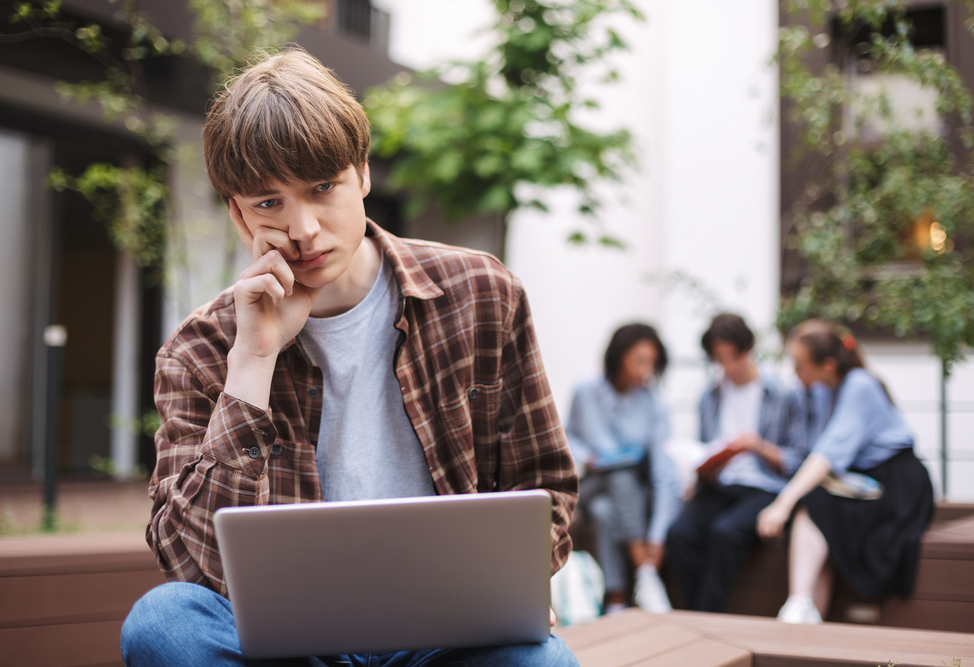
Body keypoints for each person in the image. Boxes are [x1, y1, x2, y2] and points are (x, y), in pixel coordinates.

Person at [119, 48, 579, 666]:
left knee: (542, 662)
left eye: (322, 187)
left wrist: (521, 580)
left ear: (362, 174)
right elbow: (183, 560)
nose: (303, 228)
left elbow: (543, 482)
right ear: (236, 212)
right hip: (292, 643)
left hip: (445, 632)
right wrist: (253, 361)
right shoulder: (198, 349)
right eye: (268, 202)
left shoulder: (479, 292)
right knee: (162, 624)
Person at [758, 319, 934, 624]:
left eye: (799, 365)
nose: (794, 372)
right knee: (822, 512)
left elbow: (826, 456)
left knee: (814, 504)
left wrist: (782, 504)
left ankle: (800, 606)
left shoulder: (859, 386)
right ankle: (805, 611)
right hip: (859, 482)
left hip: (895, 486)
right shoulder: (826, 389)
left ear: (826, 366)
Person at [666, 313, 808, 613]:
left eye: (733, 357)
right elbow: (705, 453)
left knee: (725, 533)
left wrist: (758, 446)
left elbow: (798, 460)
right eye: (719, 359)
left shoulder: (783, 393)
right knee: (679, 534)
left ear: (748, 350)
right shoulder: (710, 397)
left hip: (763, 485)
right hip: (720, 484)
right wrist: (703, 466)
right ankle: (703, 616)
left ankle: (703, 619)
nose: (728, 366)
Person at [565, 323, 680, 615]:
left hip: (630, 493)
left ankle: (615, 598)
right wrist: (584, 455)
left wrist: (657, 533)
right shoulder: (585, 391)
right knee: (617, 473)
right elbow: (569, 435)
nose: (646, 370)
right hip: (591, 482)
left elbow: (663, 472)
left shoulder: (654, 405)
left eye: (652, 363)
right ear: (618, 357)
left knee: (608, 509)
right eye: (639, 361)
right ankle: (645, 574)